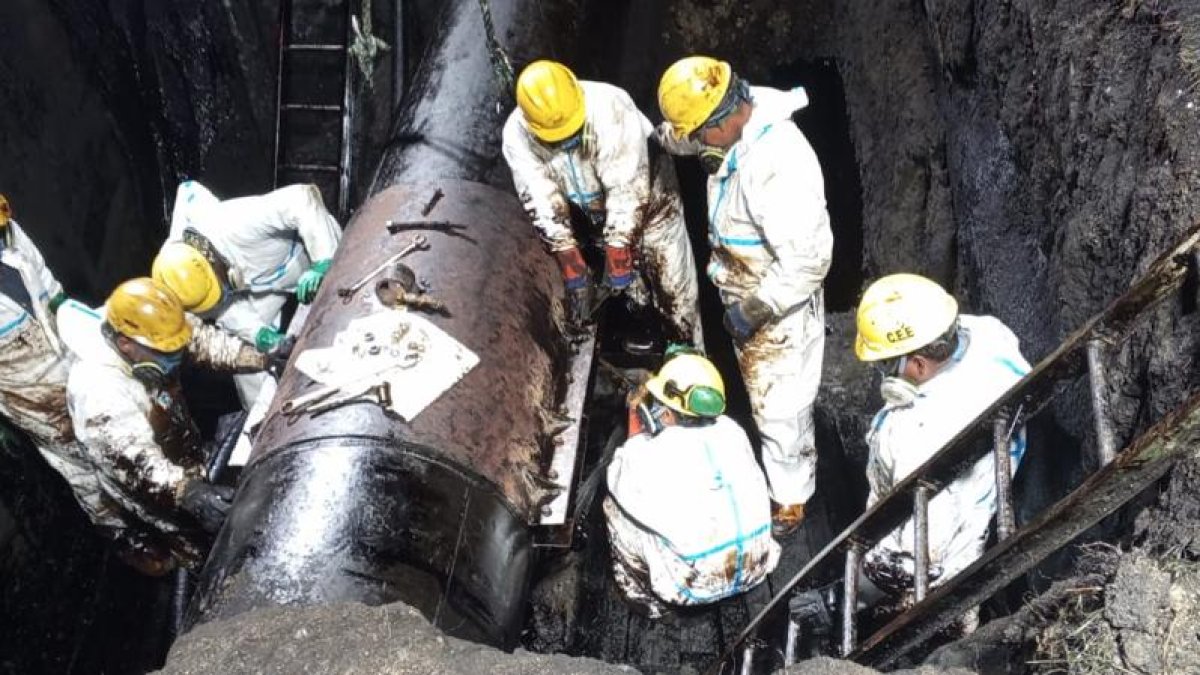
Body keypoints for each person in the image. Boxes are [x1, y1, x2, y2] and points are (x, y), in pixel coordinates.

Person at [656, 56, 832, 535]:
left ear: (724, 119)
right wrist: (658, 136)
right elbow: (683, 137)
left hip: (778, 313)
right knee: (761, 399)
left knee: (781, 410)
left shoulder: (779, 165)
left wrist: (753, 310)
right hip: (739, 291)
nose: (695, 143)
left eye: (699, 133)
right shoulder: (727, 127)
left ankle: (791, 499)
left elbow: (809, 262)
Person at [60, 278, 282, 575]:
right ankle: (206, 573)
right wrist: (187, 492)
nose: (176, 356)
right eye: (166, 352)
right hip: (149, 486)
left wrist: (261, 359)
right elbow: (137, 464)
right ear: (125, 344)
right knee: (197, 540)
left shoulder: (154, 325)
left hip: (177, 443)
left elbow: (202, 341)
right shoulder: (99, 391)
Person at [854, 273, 1030, 623]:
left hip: (944, 545)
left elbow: (915, 557)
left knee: (933, 617)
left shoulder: (918, 434)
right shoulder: (988, 332)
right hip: (980, 495)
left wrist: (847, 595)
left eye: (887, 364)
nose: (882, 373)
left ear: (918, 364)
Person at [501, 60, 703, 347]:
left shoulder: (611, 107)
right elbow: (541, 200)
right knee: (635, 293)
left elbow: (626, 189)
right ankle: (649, 341)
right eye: (556, 138)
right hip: (597, 215)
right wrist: (569, 260)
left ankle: (688, 355)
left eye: (572, 132)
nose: (568, 141)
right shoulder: (517, 137)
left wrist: (618, 246)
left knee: (675, 291)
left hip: (654, 205)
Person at [604, 351, 780, 618]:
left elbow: (618, 482)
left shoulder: (644, 455)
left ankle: (645, 602)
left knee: (613, 509)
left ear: (669, 412)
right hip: (756, 569)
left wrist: (636, 429)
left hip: (693, 589)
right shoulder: (733, 430)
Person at [151, 179, 341, 407]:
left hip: (307, 254)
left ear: (211, 260)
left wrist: (322, 261)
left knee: (338, 309)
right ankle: (264, 424)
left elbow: (302, 198)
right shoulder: (185, 284)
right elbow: (224, 308)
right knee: (250, 360)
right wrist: (260, 334)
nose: (219, 294)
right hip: (264, 285)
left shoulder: (234, 223)